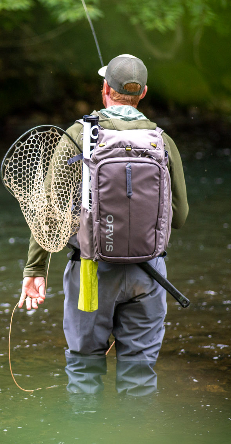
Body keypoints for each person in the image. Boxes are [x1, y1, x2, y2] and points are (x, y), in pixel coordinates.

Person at [18, 54, 189, 397]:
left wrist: (35, 268)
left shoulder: (80, 134)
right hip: (149, 276)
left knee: (84, 371)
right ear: (142, 93)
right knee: (139, 375)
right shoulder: (161, 140)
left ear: (105, 89)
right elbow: (180, 216)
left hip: (90, 273)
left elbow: (51, 212)